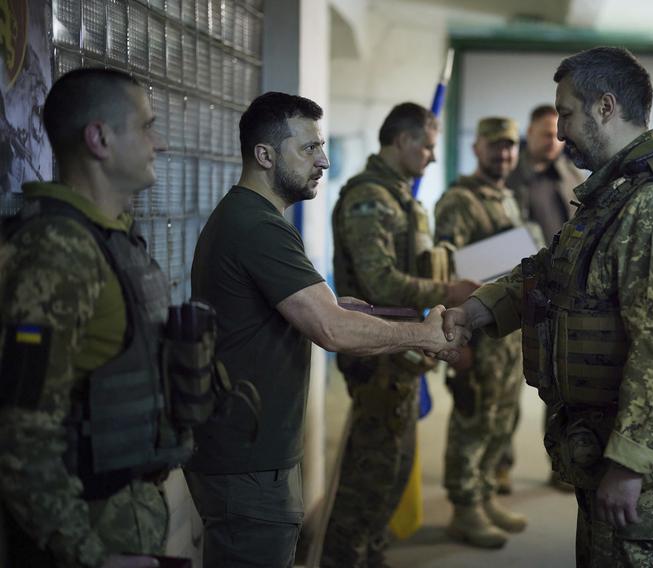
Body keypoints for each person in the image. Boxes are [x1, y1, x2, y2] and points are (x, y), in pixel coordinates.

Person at [443, 46, 653, 566]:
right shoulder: (614, 196)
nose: (559, 131)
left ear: (605, 107)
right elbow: (549, 272)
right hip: (600, 439)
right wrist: (475, 312)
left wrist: (629, 465)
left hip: (647, 466)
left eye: (566, 113)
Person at [184, 93, 466, 568]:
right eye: (310, 148)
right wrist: (425, 336)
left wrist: (336, 308)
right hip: (249, 458)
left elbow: (315, 309)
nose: (324, 160)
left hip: (253, 449)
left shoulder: (255, 219)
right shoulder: (257, 227)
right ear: (265, 155)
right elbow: (332, 330)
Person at [0, 68, 175, 568]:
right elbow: (21, 433)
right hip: (85, 536)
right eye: (146, 126)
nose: (158, 143)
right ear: (98, 138)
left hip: (125, 517)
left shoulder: (110, 238)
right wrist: (89, 556)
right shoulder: (57, 250)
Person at [324, 102, 479, 568]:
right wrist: (448, 290)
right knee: (369, 475)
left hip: (404, 350)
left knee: (392, 469)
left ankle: (370, 552)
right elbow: (379, 283)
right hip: (377, 353)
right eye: (428, 146)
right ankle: (343, 558)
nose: (432, 156)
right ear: (404, 141)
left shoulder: (401, 197)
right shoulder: (368, 199)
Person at [435, 117, 528, 549]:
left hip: (506, 332)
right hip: (476, 329)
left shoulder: (507, 197)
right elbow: (448, 271)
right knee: (473, 418)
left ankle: (486, 491)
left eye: (509, 147)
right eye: (495, 147)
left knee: (501, 419)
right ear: (477, 148)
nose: (503, 155)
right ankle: (465, 507)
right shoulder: (459, 200)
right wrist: (459, 341)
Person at [501, 104, 586, 494]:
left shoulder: (572, 176)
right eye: (542, 133)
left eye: (556, 133)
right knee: (504, 391)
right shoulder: (507, 179)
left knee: (560, 387)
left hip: (564, 299)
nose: (550, 140)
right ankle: (499, 466)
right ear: (528, 135)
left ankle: (560, 464)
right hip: (516, 293)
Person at [506, 104, 586, 244]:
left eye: (558, 137)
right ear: (530, 132)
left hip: (566, 261)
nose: (554, 142)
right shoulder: (509, 175)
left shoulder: (573, 175)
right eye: (547, 135)